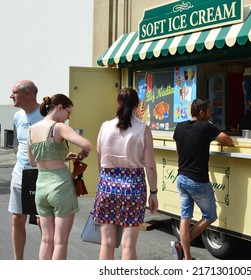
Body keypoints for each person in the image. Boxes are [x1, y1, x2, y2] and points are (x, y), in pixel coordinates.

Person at [92, 87, 158, 260]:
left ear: (117, 103)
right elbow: (150, 165)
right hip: (134, 187)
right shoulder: (143, 129)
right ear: (137, 105)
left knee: (106, 243)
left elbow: (99, 160)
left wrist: (104, 183)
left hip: (107, 184)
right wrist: (153, 193)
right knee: (128, 245)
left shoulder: (105, 127)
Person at [27, 93, 92, 260]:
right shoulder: (58, 127)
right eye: (68, 113)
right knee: (60, 242)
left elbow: (34, 162)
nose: (68, 118)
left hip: (41, 186)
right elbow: (87, 144)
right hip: (60, 187)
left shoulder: (31, 130)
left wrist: (61, 156)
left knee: (46, 239)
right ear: (60, 108)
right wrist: (83, 152)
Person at [172, 98, 233, 260]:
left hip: (182, 178)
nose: (210, 113)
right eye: (208, 110)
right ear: (201, 112)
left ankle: (186, 256)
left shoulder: (179, 127)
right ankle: (181, 246)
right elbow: (228, 141)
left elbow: (180, 152)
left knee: (185, 217)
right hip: (198, 181)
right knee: (210, 216)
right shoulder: (206, 127)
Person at [8, 80, 43, 260]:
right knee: (17, 219)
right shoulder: (17, 116)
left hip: (42, 175)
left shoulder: (45, 114)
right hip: (19, 173)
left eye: (14, 92)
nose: (11, 96)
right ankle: (18, 263)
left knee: (42, 221)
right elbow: (19, 144)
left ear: (27, 93)